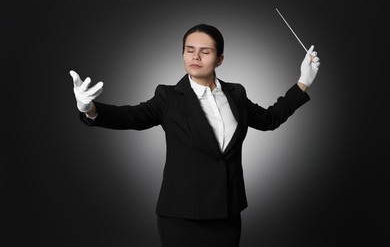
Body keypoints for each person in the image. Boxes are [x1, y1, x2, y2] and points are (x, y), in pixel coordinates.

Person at [70, 23, 320, 247]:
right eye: (189, 50)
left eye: (205, 51)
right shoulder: (168, 97)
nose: (195, 57)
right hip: (181, 217)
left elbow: (270, 120)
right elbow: (131, 117)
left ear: (220, 59)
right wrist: (89, 109)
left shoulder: (236, 94)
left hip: (227, 215)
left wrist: (303, 82)